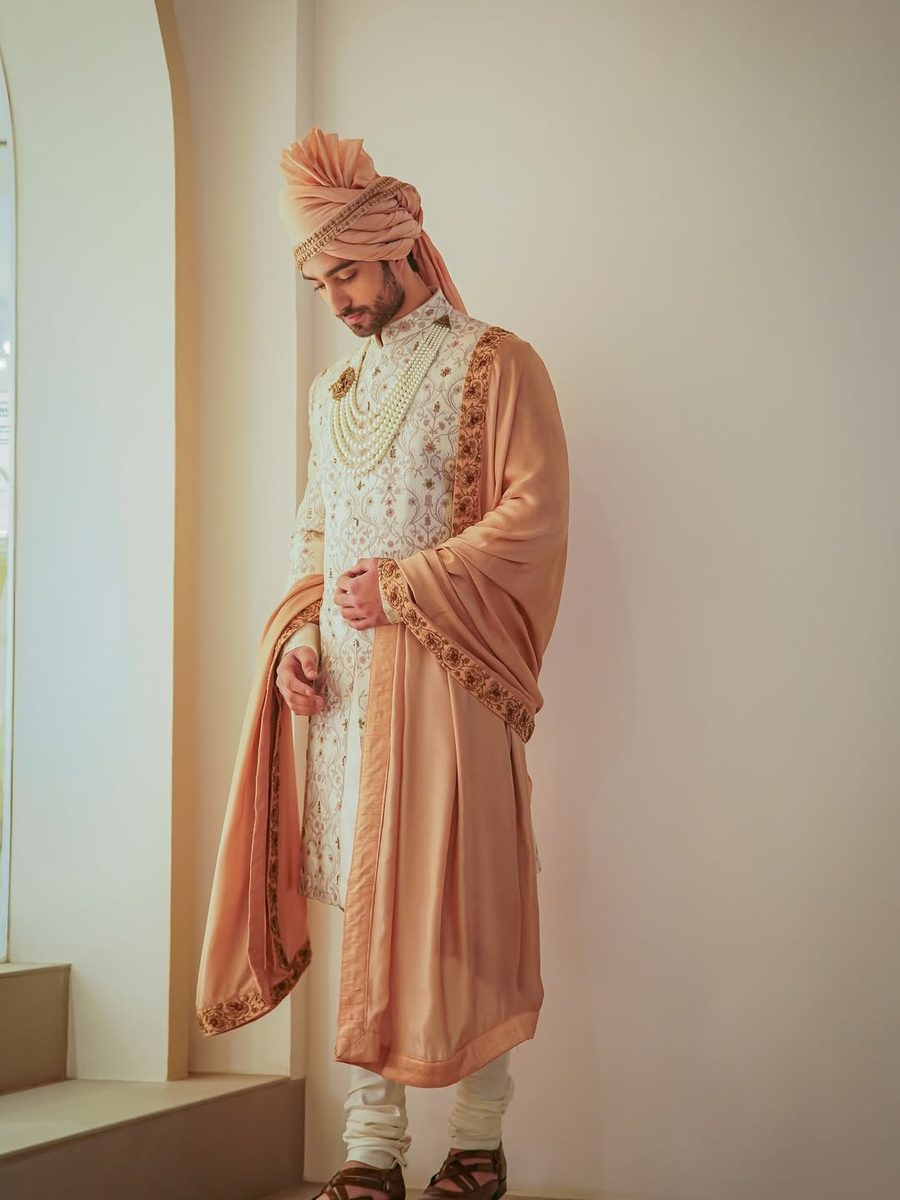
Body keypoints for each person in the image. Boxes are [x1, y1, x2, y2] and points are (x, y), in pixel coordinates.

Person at [195, 128, 569, 1200]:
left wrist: (406, 586)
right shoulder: (333, 393)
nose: (339, 300)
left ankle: (481, 1142)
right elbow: (316, 535)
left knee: (461, 906)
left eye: (348, 273)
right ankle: (372, 1148)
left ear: (403, 245)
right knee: (366, 907)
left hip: (454, 688)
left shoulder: (496, 363)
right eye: (320, 281)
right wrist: (301, 642)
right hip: (353, 703)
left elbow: (535, 515)